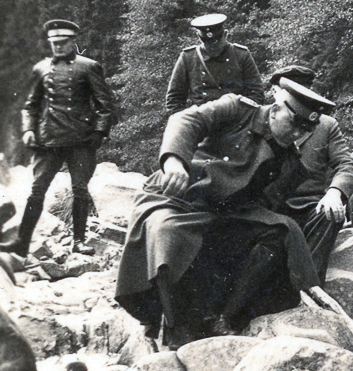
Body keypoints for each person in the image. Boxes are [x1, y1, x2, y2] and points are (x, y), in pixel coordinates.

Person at [115, 80, 327, 347]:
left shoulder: (288, 161)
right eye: (294, 123)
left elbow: (267, 202)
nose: (297, 133)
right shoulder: (236, 108)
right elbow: (186, 120)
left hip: (223, 212)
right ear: (274, 110)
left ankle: (227, 317)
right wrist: (174, 162)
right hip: (179, 196)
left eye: (305, 129)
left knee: (282, 231)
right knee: (168, 233)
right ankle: (174, 326)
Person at [0, 20, 116, 256]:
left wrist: (98, 133)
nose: (59, 48)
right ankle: (22, 243)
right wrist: (29, 130)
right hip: (48, 141)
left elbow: (105, 105)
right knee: (37, 191)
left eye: (63, 43)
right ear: (50, 43)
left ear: (73, 42)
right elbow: (30, 106)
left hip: (80, 141)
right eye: (54, 43)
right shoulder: (41, 69)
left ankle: (79, 241)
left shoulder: (88, 67)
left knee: (80, 190)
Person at [279, 81, 353, 280]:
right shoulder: (266, 120)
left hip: (309, 207)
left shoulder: (326, 125)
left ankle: (309, 287)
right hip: (272, 206)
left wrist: (334, 192)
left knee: (330, 214)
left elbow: (346, 164)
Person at [165, 13, 266, 113]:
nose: (212, 48)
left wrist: (242, 117)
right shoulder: (188, 57)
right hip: (202, 121)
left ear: (225, 35)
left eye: (216, 43)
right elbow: (174, 99)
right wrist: (190, 122)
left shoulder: (241, 55)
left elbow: (256, 93)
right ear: (198, 37)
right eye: (207, 44)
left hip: (236, 119)